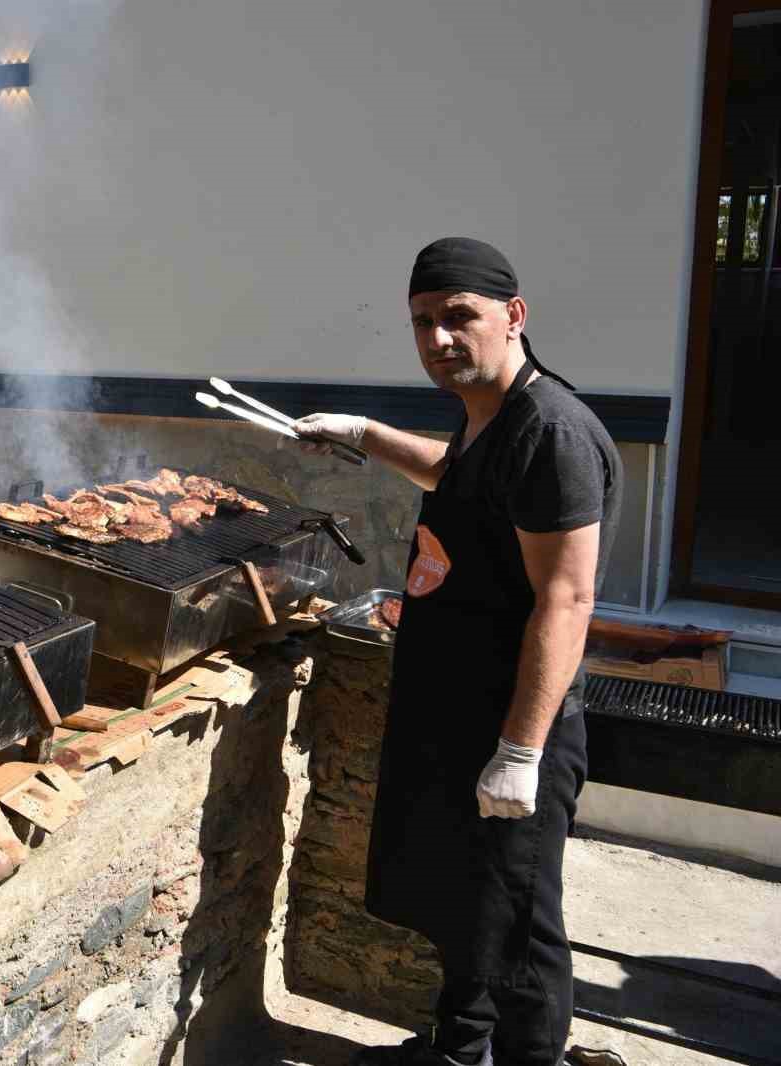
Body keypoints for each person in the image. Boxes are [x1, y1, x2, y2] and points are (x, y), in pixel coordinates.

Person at [292, 238, 622, 1066]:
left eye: (458, 318)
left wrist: (520, 752)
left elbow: (567, 598)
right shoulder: (490, 414)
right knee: (465, 907)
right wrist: (364, 432)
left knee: (517, 924)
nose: (438, 339)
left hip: (511, 723)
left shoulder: (551, 431)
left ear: (513, 316)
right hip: (459, 710)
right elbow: (457, 475)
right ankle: (458, 1047)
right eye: (422, 323)